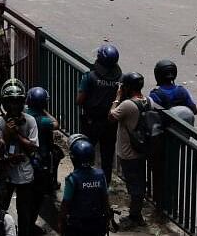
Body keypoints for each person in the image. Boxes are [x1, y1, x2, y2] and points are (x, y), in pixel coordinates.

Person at [0, 79, 39, 236]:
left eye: (17, 102)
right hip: (5, 173)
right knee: (0, 210)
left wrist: (17, 134)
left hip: (25, 174)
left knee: (24, 213)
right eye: (10, 102)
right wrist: (6, 133)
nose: (14, 106)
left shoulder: (30, 121)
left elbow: (33, 147)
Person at [77, 43, 122, 183]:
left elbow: (79, 100)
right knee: (107, 157)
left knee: (84, 152)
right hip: (110, 123)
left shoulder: (89, 77)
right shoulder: (120, 80)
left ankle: (82, 181)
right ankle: (105, 185)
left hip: (91, 122)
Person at [110, 72, 149, 230]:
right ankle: (136, 214)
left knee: (134, 186)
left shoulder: (126, 105)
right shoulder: (147, 100)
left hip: (128, 152)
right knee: (138, 182)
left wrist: (117, 97)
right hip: (141, 150)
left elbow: (111, 116)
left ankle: (135, 216)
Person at [25, 87, 62, 222]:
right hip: (42, 158)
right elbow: (56, 124)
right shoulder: (44, 120)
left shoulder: (24, 114)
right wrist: (44, 111)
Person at [60, 136, 109, 236]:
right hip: (97, 223)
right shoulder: (101, 175)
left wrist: (62, 222)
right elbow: (105, 198)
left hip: (77, 225)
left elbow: (65, 203)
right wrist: (107, 217)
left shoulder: (72, 179)